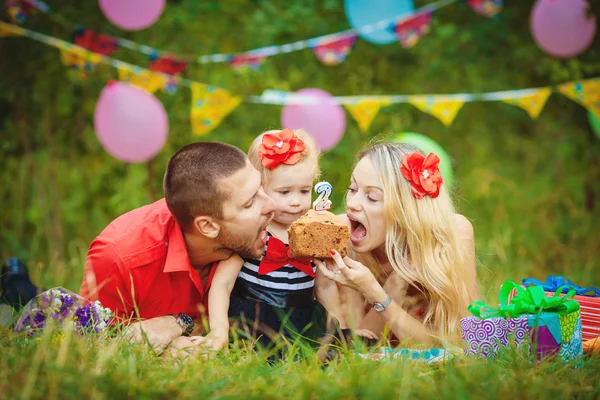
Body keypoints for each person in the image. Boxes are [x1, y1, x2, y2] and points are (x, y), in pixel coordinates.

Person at [80, 142, 277, 355]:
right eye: (250, 203)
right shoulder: (118, 260)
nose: (273, 205)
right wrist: (172, 332)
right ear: (208, 226)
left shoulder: (262, 234)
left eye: (261, 188)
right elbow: (92, 351)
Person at [205, 128, 367, 350]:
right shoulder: (254, 231)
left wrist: (337, 329)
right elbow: (222, 284)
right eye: (284, 192)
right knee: (268, 352)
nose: (295, 202)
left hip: (301, 315)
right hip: (256, 315)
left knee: (337, 349)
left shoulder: (314, 231)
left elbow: (325, 289)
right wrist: (218, 331)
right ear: (259, 189)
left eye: (304, 191)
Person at [316, 142, 478, 346]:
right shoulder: (339, 234)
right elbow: (356, 349)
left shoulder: (453, 234)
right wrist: (386, 291)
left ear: (405, 210)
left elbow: (461, 343)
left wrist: (392, 285)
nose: (352, 203)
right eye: (352, 188)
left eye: (371, 197)